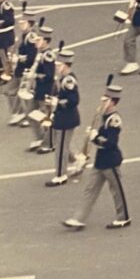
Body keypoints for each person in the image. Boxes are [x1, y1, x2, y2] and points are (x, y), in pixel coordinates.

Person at [63, 86, 129, 230]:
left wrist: (95, 137)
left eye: (105, 100)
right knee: (90, 189)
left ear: (112, 102)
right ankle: (78, 218)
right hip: (100, 161)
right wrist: (91, 138)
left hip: (110, 160)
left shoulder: (114, 119)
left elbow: (111, 142)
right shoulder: (103, 116)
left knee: (117, 190)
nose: (102, 102)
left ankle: (123, 217)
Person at [45, 46, 80, 187]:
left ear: (65, 65)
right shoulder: (62, 78)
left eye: (59, 64)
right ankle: (77, 160)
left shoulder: (68, 81)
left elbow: (73, 100)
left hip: (67, 118)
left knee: (60, 148)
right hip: (61, 116)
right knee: (62, 144)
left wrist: (57, 101)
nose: (57, 66)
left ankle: (61, 175)